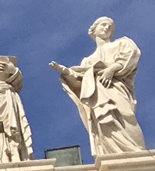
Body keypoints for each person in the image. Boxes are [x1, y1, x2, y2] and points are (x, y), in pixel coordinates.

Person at [50, 17, 145, 156]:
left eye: (110, 27)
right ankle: (112, 153)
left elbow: (130, 57)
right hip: (98, 96)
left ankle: (136, 150)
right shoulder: (87, 61)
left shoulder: (122, 43)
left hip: (116, 88)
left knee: (125, 116)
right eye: (103, 25)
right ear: (94, 30)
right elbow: (80, 81)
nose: (107, 28)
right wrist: (65, 71)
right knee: (104, 122)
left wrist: (111, 69)